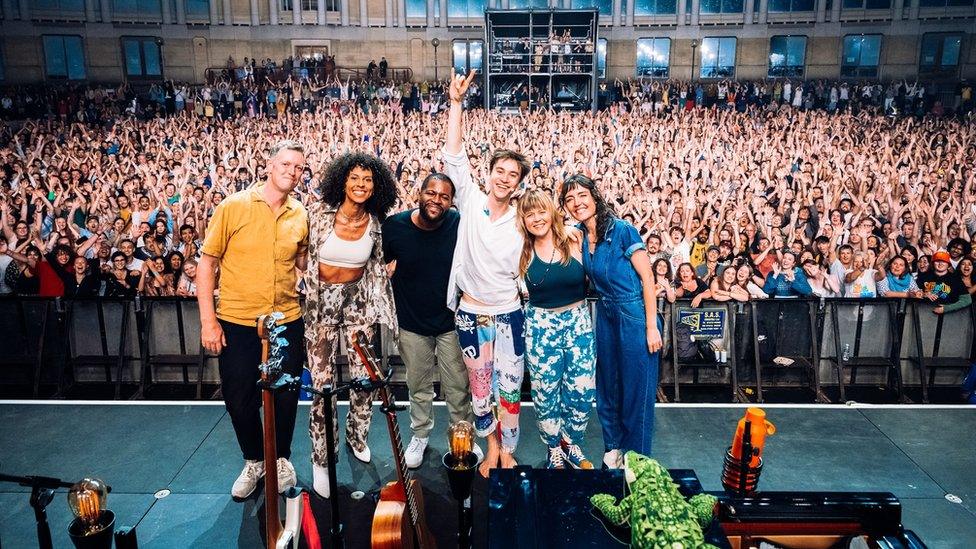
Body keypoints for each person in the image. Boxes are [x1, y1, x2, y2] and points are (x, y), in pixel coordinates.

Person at [197, 140, 309, 500]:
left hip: (287, 320)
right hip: (238, 320)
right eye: (286, 165)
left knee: (287, 395)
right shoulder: (233, 206)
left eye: (299, 168)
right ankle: (254, 460)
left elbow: (304, 263)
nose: (292, 172)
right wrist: (208, 321)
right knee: (239, 398)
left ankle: (281, 458)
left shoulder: (300, 214)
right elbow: (207, 264)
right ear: (269, 164)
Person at [443, 70, 529, 477]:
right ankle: (491, 447)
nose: (505, 178)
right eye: (500, 171)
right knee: (480, 391)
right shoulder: (471, 198)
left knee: (510, 391)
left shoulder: (523, 217)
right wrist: (457, 104)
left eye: (513, 175)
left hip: (510, 314)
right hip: (471, 314)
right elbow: (454, 155)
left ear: (518, 184)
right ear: (489, 171)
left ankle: (508, 447)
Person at [301, 151, 399, 498]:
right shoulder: (316, 215)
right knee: (323, 388)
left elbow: (382, 260)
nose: (360, 185)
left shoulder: (376, 222)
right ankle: (322, 458)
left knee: (364, 380)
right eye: (354, 178)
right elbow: (299, 255)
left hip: (359, 304)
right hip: (319, 308)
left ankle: (357, 435)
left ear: (377, 186)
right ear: (341, 180)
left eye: (367, 180)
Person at [560, 174, 662, 468]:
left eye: (582, 195)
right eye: (570, 199)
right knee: (608, 387)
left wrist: (651, 325)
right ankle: (613, 447)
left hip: (634, 313)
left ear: (594, 196)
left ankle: (637, 458)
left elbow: (647, 278)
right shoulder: (577, 235)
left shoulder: (622, 230)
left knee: (636, 391)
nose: (577, 202)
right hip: (604, 315)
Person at [382, 172, 480, 469]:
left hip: (451, 322)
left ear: (451, 202)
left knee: (458, 387)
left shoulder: (458, 224)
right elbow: (379, 264)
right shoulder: (394, 226)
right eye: (431, 193)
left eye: (444, 197)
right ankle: (420, 435)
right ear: (419, 193)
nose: (436, 200)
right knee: (418, 385)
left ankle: (462, 435)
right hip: (412, 323)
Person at [516, 190, 595, 470]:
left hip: (578, 321)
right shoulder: (521, 251)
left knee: (582, 389)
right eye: (530, 214)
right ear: (523, 220)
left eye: (541, 211)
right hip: (540, 325)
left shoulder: (574, 239)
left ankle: (571, 442)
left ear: (551, 212)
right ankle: (553, 448)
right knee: (545, 390)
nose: (537, 218)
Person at [916, 251, 972, 315]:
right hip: (924, 314)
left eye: (943, 261)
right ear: (933, 263)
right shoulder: (924, 276)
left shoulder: (955, 279)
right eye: (937, 261)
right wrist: (923, 294)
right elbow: (911, 293)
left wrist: (947, 308)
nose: (940, 264)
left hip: (949, 316)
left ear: (948, 264)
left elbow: (967, 300)